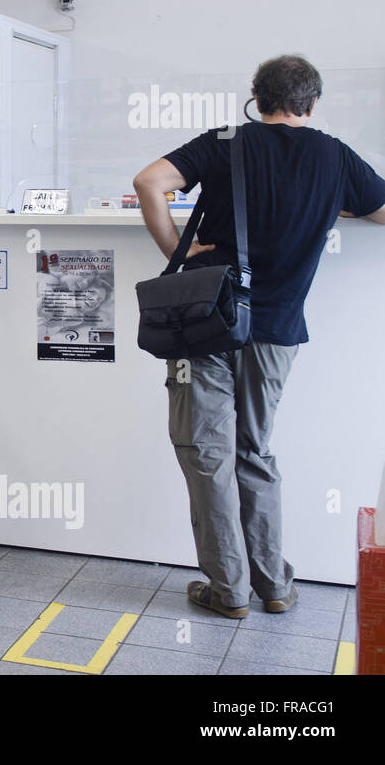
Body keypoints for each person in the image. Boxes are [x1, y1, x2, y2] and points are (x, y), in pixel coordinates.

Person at [133, 55, 385, 618]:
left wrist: (176, 248)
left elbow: (149, 182)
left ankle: (229, 590)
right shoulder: (335, 156)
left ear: (257, 98)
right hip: (276, 330)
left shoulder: (226, 142)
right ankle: (273, 584)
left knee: (207, 454)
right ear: (311, 103)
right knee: (255, 451)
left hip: (206, 321)